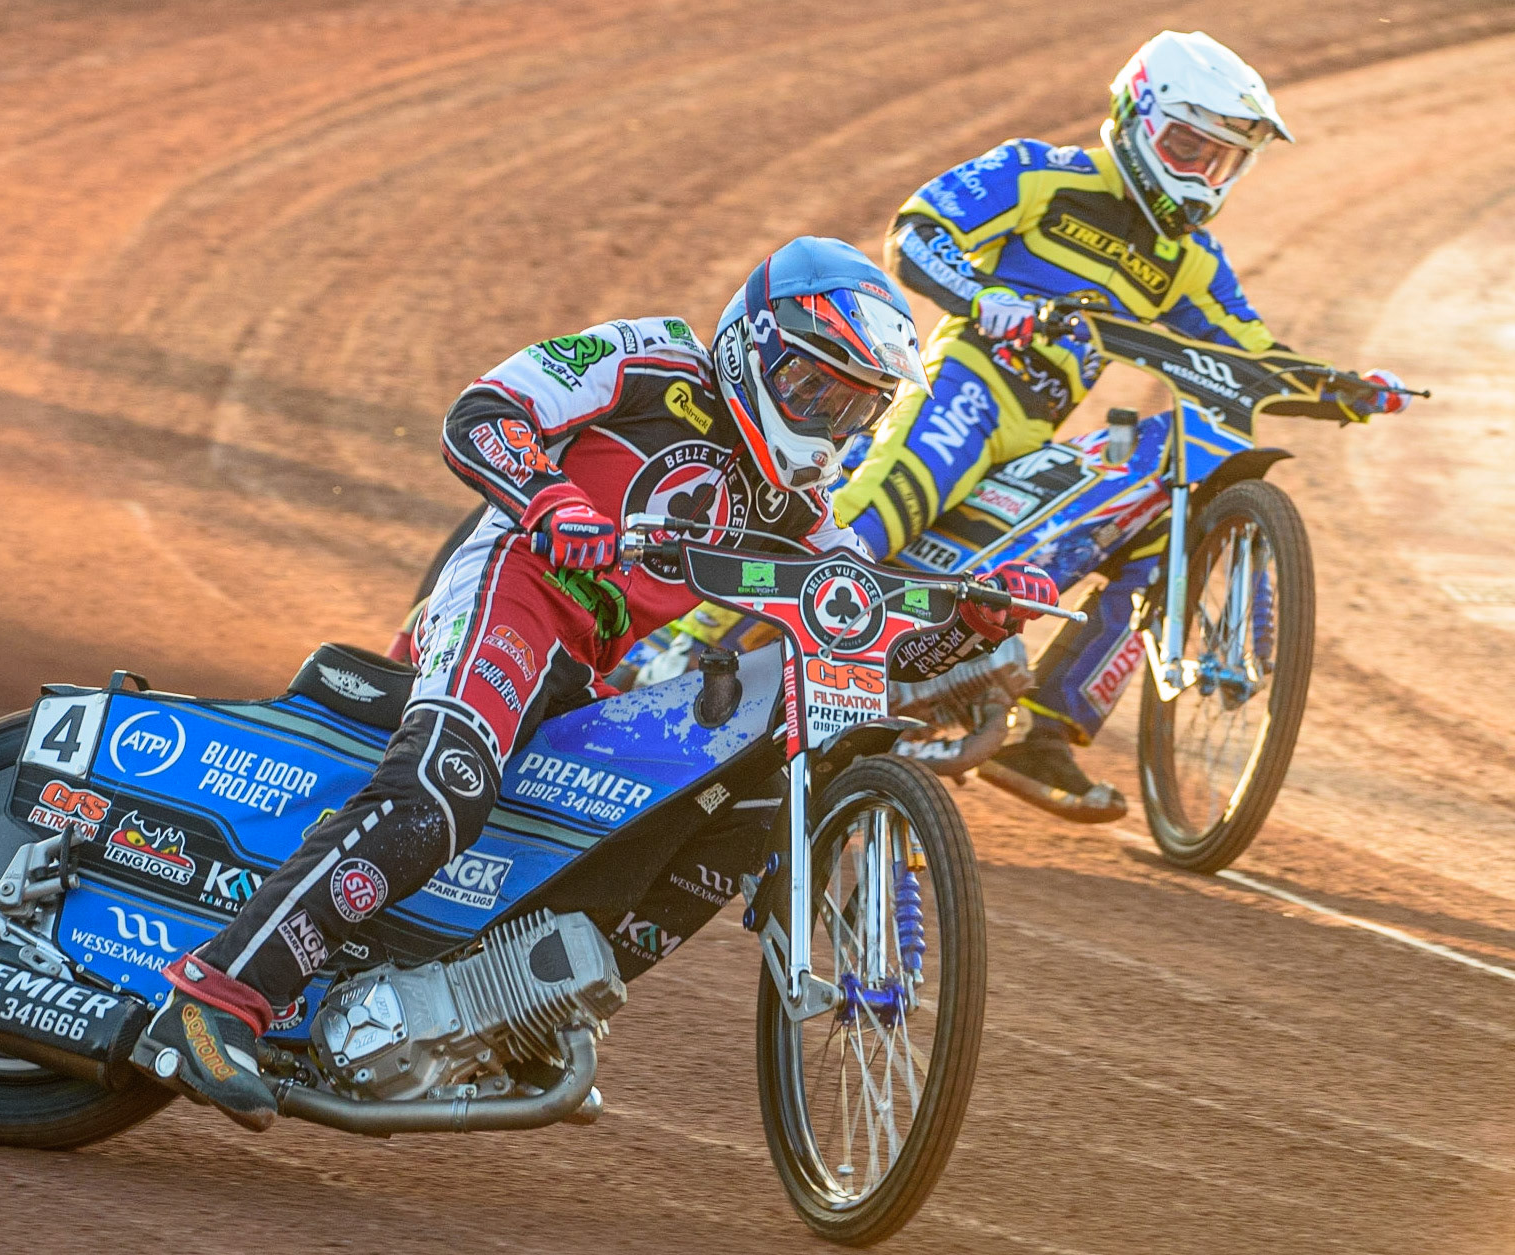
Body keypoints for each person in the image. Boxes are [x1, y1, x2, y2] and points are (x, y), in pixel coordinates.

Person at [130, 236, 1057, 1129]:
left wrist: (965, 621)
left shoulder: (796, 508)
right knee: (438, 795)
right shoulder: (650, 359)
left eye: (853, 408)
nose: (824, 421)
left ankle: (508, 1009)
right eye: (812, 387)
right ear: (753, 344)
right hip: (509, 591)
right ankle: (219, 994)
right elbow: (481, 412)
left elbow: (863, 627)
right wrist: (550, 498)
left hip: (585, 662)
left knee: (710, 807)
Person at [830, 30, 1411, 821]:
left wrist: (1344, 388)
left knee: (1151, 535)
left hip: (1034, 432)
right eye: (1185, 146)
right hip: (967, 378)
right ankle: (703, 647)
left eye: (1220, 161)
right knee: (885, 510)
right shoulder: (1044, 172)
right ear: (1137, 118)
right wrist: (979, 295)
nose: (1200, 174)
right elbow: (919, 229)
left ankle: (1044, 737)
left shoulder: (1190, 262)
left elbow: (1252, 351)